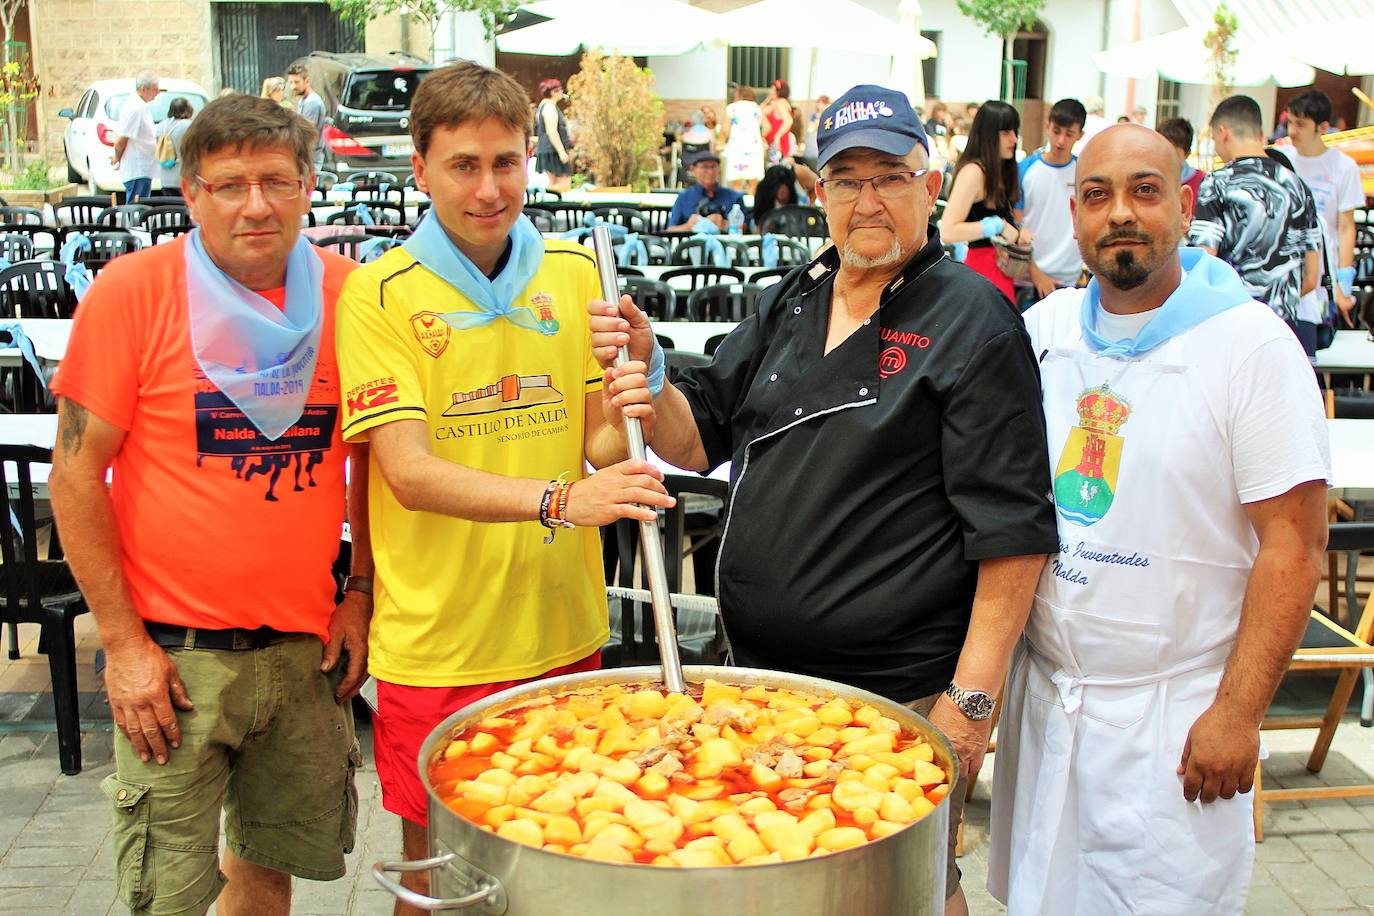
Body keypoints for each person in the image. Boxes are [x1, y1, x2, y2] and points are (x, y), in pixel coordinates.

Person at [592, 83, 1059, 916]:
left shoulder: (973, 321)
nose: (868, 200)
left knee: (900, 891)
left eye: (890, 176)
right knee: (783, 881)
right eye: (847, 179)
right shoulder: (795, 296)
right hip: (762, 684)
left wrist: (971, 705)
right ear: (821, 194)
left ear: (932, 186)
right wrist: (649, 368)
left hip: (895, 692)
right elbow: (696, 438)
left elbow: (1015, 534)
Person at [332, 60, 673, 915]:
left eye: (506, 163)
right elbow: (405, 474)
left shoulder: (574, 271)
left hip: (561, 631)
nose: (489, 189)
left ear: (531, 158)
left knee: (567, 868)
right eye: (464, 165)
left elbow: (597, 439)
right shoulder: (380, 293)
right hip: (441, 643)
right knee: (438, 883)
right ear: (420, 168)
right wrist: (561, 503)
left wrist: (637, 378)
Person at [988, 122, 1330, 916]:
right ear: (1073, 213)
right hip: (1050, 709)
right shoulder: (1041, 336)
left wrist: (1239, 714)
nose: (1120, 215)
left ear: (1184, 203)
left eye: (1145, 191)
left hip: (1175, 720)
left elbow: (1297, 546)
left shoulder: (1250, 348)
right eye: (1098, 196)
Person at [48, 95, 371, 916]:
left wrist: (361, 594)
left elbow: (374, 460)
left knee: (267, 870)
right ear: (190, 195)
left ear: (308, 188)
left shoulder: (351, 296)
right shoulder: (133, 293)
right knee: (167, 893)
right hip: (173, 660)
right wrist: (122, 645)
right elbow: (76, 477)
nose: (255, 204)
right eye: (229, 185)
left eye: (276, 181)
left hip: (302, 651)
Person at [1188, 94, 1321, 355]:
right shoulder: (1298, 186)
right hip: (1283, 333)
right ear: (1259, 133)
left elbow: (1203, 263)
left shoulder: (1218, 183)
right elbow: (1311, 278)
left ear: (1223, 132)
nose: (1216, 147)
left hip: (1228, 329)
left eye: (1214, 139)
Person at [939, 99, 1034, 302]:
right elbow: (948, 231)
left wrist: (1016, 232)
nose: (1014, 139)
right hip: (982, 273)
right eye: (1006, 132)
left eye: (1014, 132)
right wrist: (996, 226)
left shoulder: (999, 171)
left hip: (1000, 269)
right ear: (990, 135)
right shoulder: (973, 172)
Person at [1285, 89, 1365, 326]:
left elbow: (1346, 227)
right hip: (1286, 269)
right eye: (1290, 122)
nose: (1292, 131)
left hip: (1323, 272)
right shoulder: (1281, 159)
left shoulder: (1344, 166)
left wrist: (1344, 282)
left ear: (1322, 127)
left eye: (1300, 124)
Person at [1015, 98, 1085, 301]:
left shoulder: (1084, 173)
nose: (1061, 140)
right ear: (1047, 126)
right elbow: (1017, 226)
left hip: (1069, 282)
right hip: (1028, 281)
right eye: (1056, 131)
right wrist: (1034, 271)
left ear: (1080, 135)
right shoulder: (1025, 169)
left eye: (1069, 134)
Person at [667, 151, 745, 232]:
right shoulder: (684, 197)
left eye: (714, 167)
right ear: (693, 169)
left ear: (719, 169)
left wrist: (725, 225)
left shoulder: (734, 197)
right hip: (692, 243)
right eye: (705, 167)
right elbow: (670, 229)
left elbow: (748, 228)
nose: (710, 172)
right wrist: (688, 226)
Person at [113, 70, 158, 203]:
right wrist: (117, 157)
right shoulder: (135, 108)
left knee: (140, 207)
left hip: (143, 167)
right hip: (137, 169)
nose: (158, 93)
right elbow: (122, 139)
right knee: (136, 210)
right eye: (155, 89)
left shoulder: (140, 106)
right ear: (144, 89)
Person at [721, 83, 766, 191]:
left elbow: (725, 129)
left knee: (736, 181)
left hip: (736, 146)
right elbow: (767, 127)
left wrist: (724, 141)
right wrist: (761, 137)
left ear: (739, 95)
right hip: (754, 148)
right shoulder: (756, 108)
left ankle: (738, 205)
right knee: (753, 181)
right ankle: (754, 205)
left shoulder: (732, 108)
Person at [1157, 117, 1206, 213]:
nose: (1165, 157)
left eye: (1173, 153)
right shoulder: (1148, 180)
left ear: (1187, 154)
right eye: (1161, 150)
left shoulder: (1203, 184)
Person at [534, 78, 573, 191]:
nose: (562, 92)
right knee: (564, 183)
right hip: (553, 150)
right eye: (559, 89)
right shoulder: (549, 107)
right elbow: (551, 131)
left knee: (555, 182)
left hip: (547, 149)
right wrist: (561, 152)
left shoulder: (542, 106)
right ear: (553, 92)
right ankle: (545, 198)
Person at [287, 61, 326, 171]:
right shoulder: (303, 100)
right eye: (290, 82)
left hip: (312, 159)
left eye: (296, 82)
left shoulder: (311, 102)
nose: (293, 86)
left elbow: (307, 132)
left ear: (307, 81)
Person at [154, 96, 194, 194]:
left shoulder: (161, 126)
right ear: (187, 110)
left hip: (165, 177)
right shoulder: (188, 125)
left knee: (170, 207)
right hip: (182, 176)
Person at [762, 80, 796, 164]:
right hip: (773, 143)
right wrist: (767, 100)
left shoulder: (781, 103)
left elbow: (788, 121)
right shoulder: (776, 103)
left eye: (773, 90)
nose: (770, 91)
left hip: (777, 144)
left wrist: (777, 136)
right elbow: (759, 112)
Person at [803, 94, 831, 166]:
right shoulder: (814, 116)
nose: (819, 105)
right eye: (819, 103)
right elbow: (810, 128)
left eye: (822, 103)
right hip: (813, 146)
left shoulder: (829, 117)